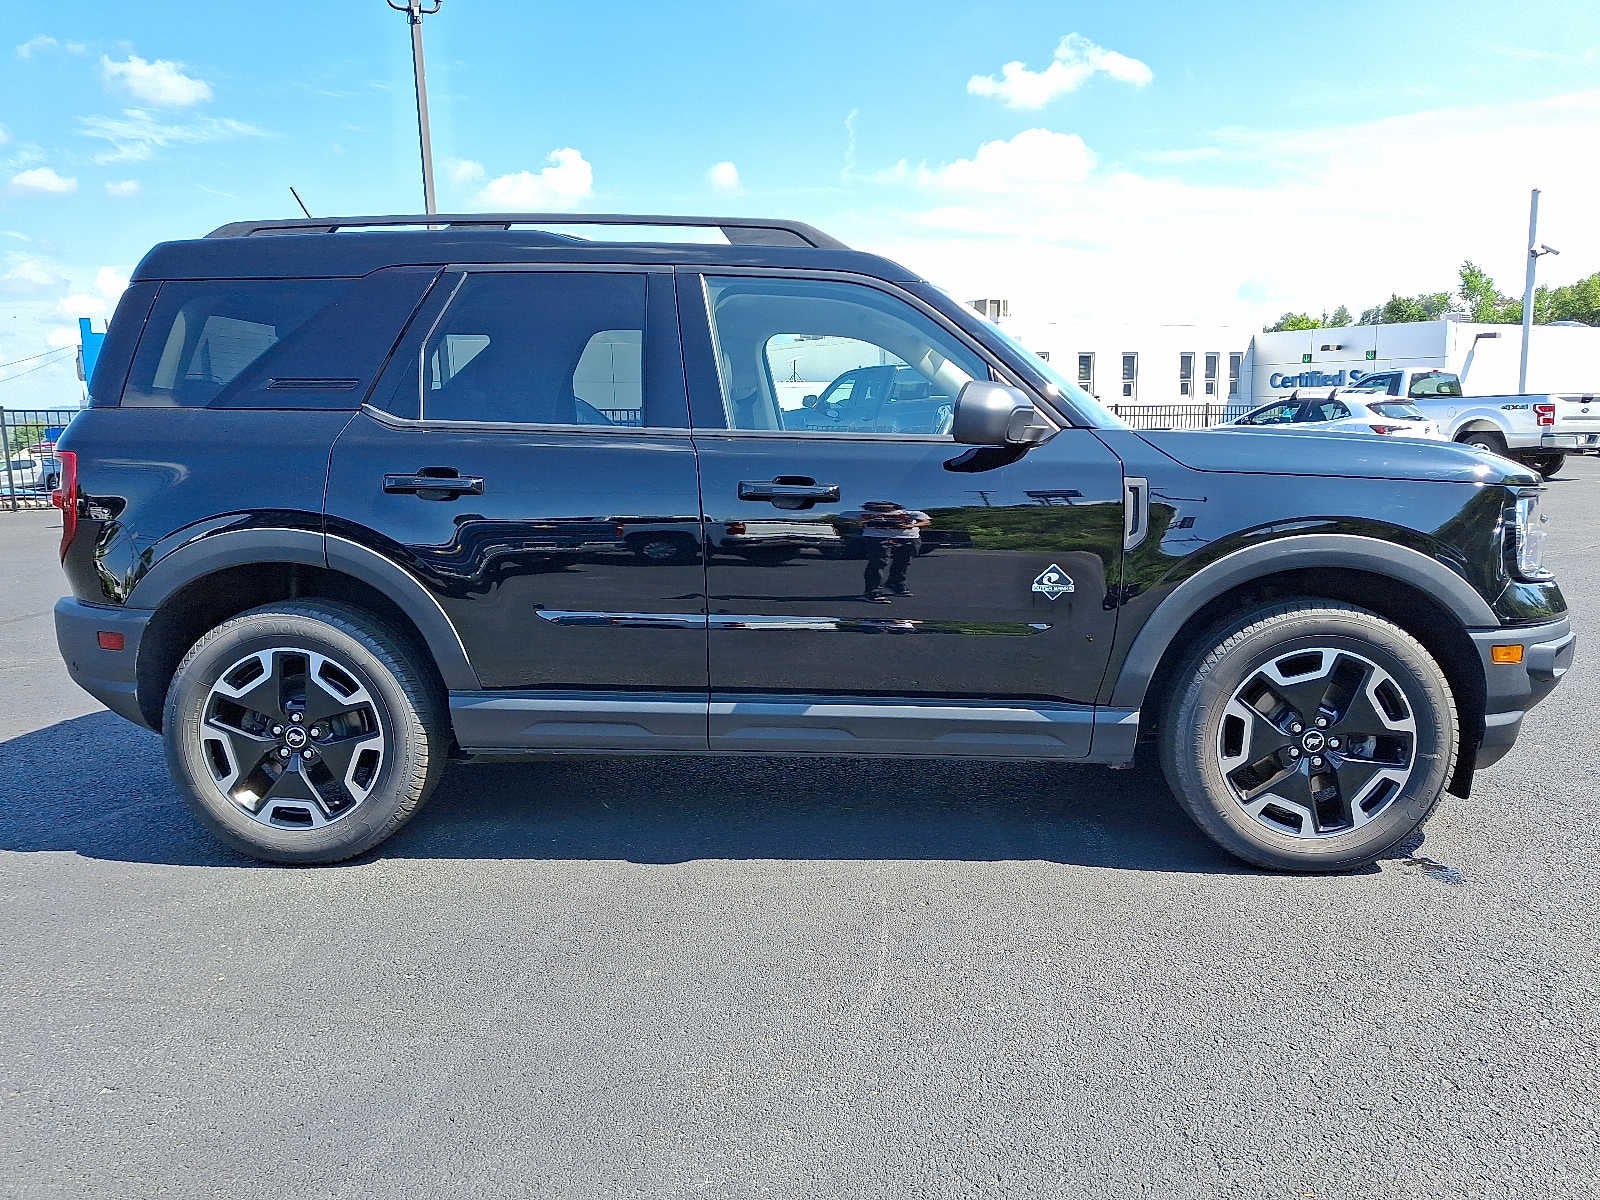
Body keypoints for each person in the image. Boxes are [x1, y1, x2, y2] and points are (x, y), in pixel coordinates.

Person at [855, 500, 931, 602]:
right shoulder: (863, 514)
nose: (881, 508)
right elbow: (843, 519)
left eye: (885, 506)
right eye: (877, 506)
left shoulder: (911, 513)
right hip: (877, 537)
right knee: (879, 561)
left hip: (908, 537)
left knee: (903, 562)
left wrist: (910, 526)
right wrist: (861, 523)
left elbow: (926, 521)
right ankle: (872, 591)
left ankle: (895, 583)